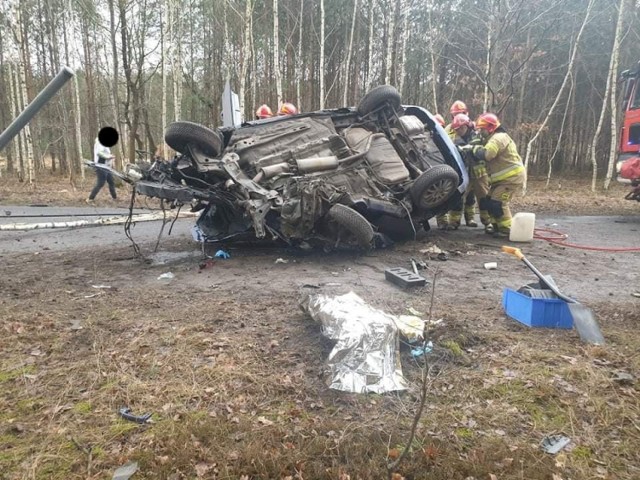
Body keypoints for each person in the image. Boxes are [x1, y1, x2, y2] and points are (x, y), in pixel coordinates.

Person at [467, 113, 526, 237]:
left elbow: (488, 154)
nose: (480, 132)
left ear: (489, 128)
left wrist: (474, 149)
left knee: (498, 203)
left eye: (482, 129)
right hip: (501, 180)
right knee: (488, 201)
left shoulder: (498, 138)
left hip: (511, 178)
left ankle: (507, 230)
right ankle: (496, 226)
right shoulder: (492, 138)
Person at [444, 113, 479, 229]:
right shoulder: (455, 139)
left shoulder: (476, 137)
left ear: (466, 126)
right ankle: (454, 222)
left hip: (475, 174)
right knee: (458, 196)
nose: (458, 131)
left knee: (471, 198)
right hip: (462, 172)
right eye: (456, 129)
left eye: (460, 129)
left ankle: (471, 219)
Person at [86, 137, 117, 203]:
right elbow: (99, 153)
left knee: (111, 181)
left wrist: (111, 159)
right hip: (100, 166)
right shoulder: (100, 143)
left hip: (106, 167)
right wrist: (109, 156)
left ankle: (115, 198)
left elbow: (106, 154)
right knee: (100, 183)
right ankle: (90, 198)